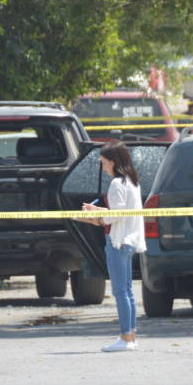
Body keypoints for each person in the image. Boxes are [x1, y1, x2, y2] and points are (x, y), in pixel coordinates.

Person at [77, 141, 145, 352]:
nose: (103, 166)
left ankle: (125, 338)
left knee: (120, 291)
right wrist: (98, 211)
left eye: (103, 162)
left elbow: (115, 215)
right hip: (129, 240)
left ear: (113, 162)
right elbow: (120, 211)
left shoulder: (117, 183)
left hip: (117, 241)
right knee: (127, 292)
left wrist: (95, 216)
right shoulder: (133, 182)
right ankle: (130, 336)